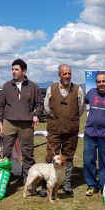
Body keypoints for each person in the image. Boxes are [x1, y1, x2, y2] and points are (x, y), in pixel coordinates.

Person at [0, 59, 44, 181]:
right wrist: (0, 122)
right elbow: (1, 106)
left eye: (16, 69)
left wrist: (36, 115)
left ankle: (28, 181)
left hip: (26, 125)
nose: (13, 72)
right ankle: (2, 181)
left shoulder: (33, 86)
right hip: (9, 123)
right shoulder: (6, 86)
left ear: (24, 71)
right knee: (5, 153)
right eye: (12, 69)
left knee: (27, 154)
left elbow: (40, 104)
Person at [43, 64, 84, 196]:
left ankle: (66, 183)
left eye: (69, 73)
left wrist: (69, 117)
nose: (67, 76)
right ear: (59, 74)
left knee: (68, 156)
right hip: (54, 128)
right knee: (51, 155)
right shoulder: (51, 88)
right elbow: (47, 107)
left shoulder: (78, 90)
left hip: (71, 129)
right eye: (64, 74)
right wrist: (58, 117)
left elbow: (81, 109)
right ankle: (47, 184)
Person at [83, 72, 105, 196]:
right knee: (88, 159)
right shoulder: (91, 93)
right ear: (96, 83)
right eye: (99, 81)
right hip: (90, 132)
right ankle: (92, 185)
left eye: (104, 81)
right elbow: (84, 103)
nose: (101, 84)